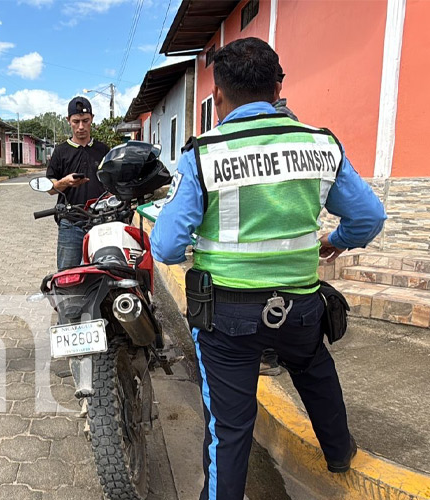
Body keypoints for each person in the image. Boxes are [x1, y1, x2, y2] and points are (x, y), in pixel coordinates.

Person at [150, 37, 386, 500]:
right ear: (279, 86)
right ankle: (339, 451)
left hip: (228, 320)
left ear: (217, 94)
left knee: (229, 426)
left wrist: (197, 247)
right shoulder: (321, 144)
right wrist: (332, 242)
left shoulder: (205, 152)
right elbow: (369, 217)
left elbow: (166, 245)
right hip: (300, 308)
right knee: (314, 366)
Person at [260, 63, 297, 377]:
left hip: (272, 221)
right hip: (280, 222)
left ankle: (270, 356)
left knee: (272, 294)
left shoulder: (277, 122)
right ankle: (274, 352)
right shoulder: (293, 123)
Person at [46, 96, 109, 269]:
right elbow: (51, 189)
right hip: (70, 222)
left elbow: (112, 183)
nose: (81, 127)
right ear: (69, 121)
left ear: (92, 119)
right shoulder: (60, 152)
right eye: (76, 121)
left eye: (85, 121)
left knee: (103, 273)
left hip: (100, 221)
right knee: (67, 276)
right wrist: (65, 182)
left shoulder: (103, 150)